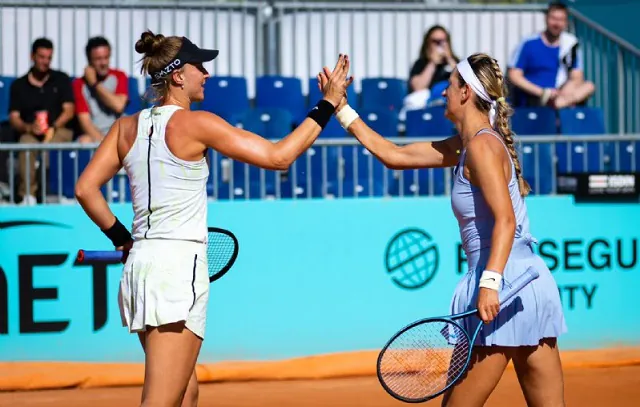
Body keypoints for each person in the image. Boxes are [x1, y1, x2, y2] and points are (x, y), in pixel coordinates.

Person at [74, 30, 352, 407]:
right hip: (176, 268)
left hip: (142, 265)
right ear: (177, 76)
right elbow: (279, 156)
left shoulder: (125, 127)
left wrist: (122, 238)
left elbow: (86, 189)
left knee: (186, 394)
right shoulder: (197, 123)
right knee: (161, 400)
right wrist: (327, 104)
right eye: (199, 66)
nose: (206, 73)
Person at [318, 52, 567, 406]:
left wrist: (489, 284)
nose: (442, 93)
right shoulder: (470, 145)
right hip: (529, 284)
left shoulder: (481, 146)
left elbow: (506, 220)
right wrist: (341, 108)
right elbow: (395, 155)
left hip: (501, 285)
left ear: (466, 92)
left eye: (449, 85)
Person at [9, 37, 75, 204]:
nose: (45, 61)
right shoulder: (19, 85)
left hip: (59, 129)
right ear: (33, 56)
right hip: (31, 132)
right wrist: (30, 127)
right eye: (41, 57)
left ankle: (56, 194)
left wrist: (53, 126)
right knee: (26, 144)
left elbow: (69, 110)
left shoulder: (61, 79)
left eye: (49, 58)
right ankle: (28, 196)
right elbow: (14, 118)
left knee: (49, 149)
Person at [507, 1, 595, 109]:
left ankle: (556, 105)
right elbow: (514, 75)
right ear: (546, 18)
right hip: (533, 98)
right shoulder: (529, 43)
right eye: (554, 18)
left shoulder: (570, 44)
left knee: (588, 86)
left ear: (566, 22)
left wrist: (560, 94)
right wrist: (543, 93)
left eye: (561, 20)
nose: (557, 24)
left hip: (561, 96)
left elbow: (577, 77)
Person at [73, 36, 130, 143]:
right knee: (84, 141)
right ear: (89, 61)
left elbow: (119, 106)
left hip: (118, 131)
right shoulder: (79, 84)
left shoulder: (119, 76)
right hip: (96, 136)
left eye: (106, 57)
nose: (103, 63)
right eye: (98, 59)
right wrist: (105, 145)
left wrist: (95, 84)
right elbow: (85, 122)